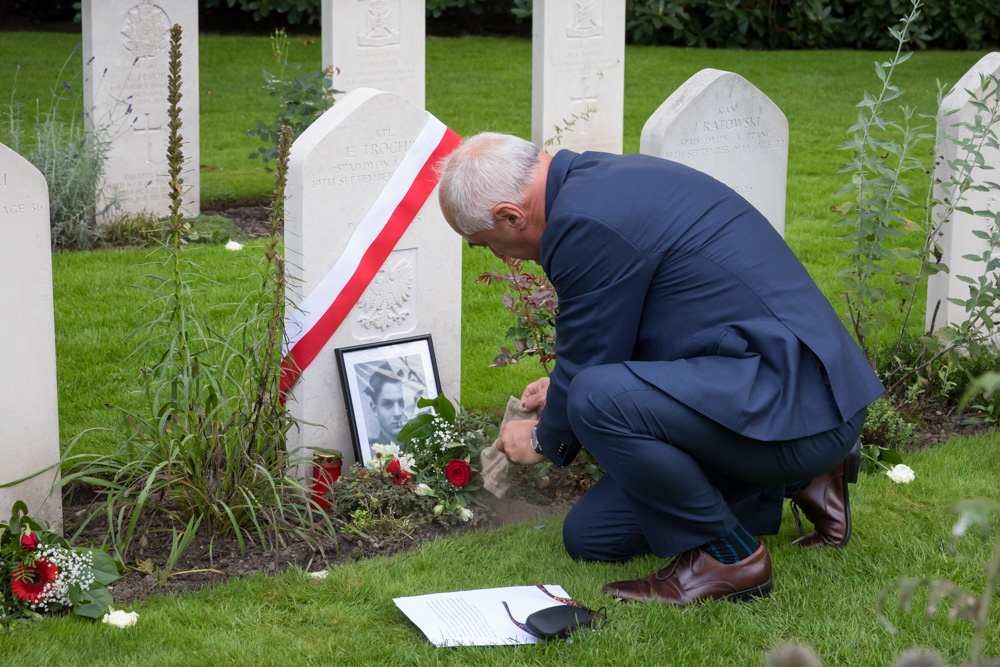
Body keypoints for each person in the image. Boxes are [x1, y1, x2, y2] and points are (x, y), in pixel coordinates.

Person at [436, 132, 884, 607]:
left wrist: (545, 438)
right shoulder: (598, 181)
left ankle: (730, 558)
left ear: (511, 215)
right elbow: (632, 332)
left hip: (789, 401)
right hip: (784, 391)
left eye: (485, 243)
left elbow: (589, 368)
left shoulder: (582, 221)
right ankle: (804, 477)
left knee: (593, 396)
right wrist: (568, 385)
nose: (499, 257)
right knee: (592, 537)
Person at [364, 364, 408, 447]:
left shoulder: (429, 447)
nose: (397, 413)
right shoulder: (369, 454)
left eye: (403, 403)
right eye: (388, 404)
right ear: (374, 409)